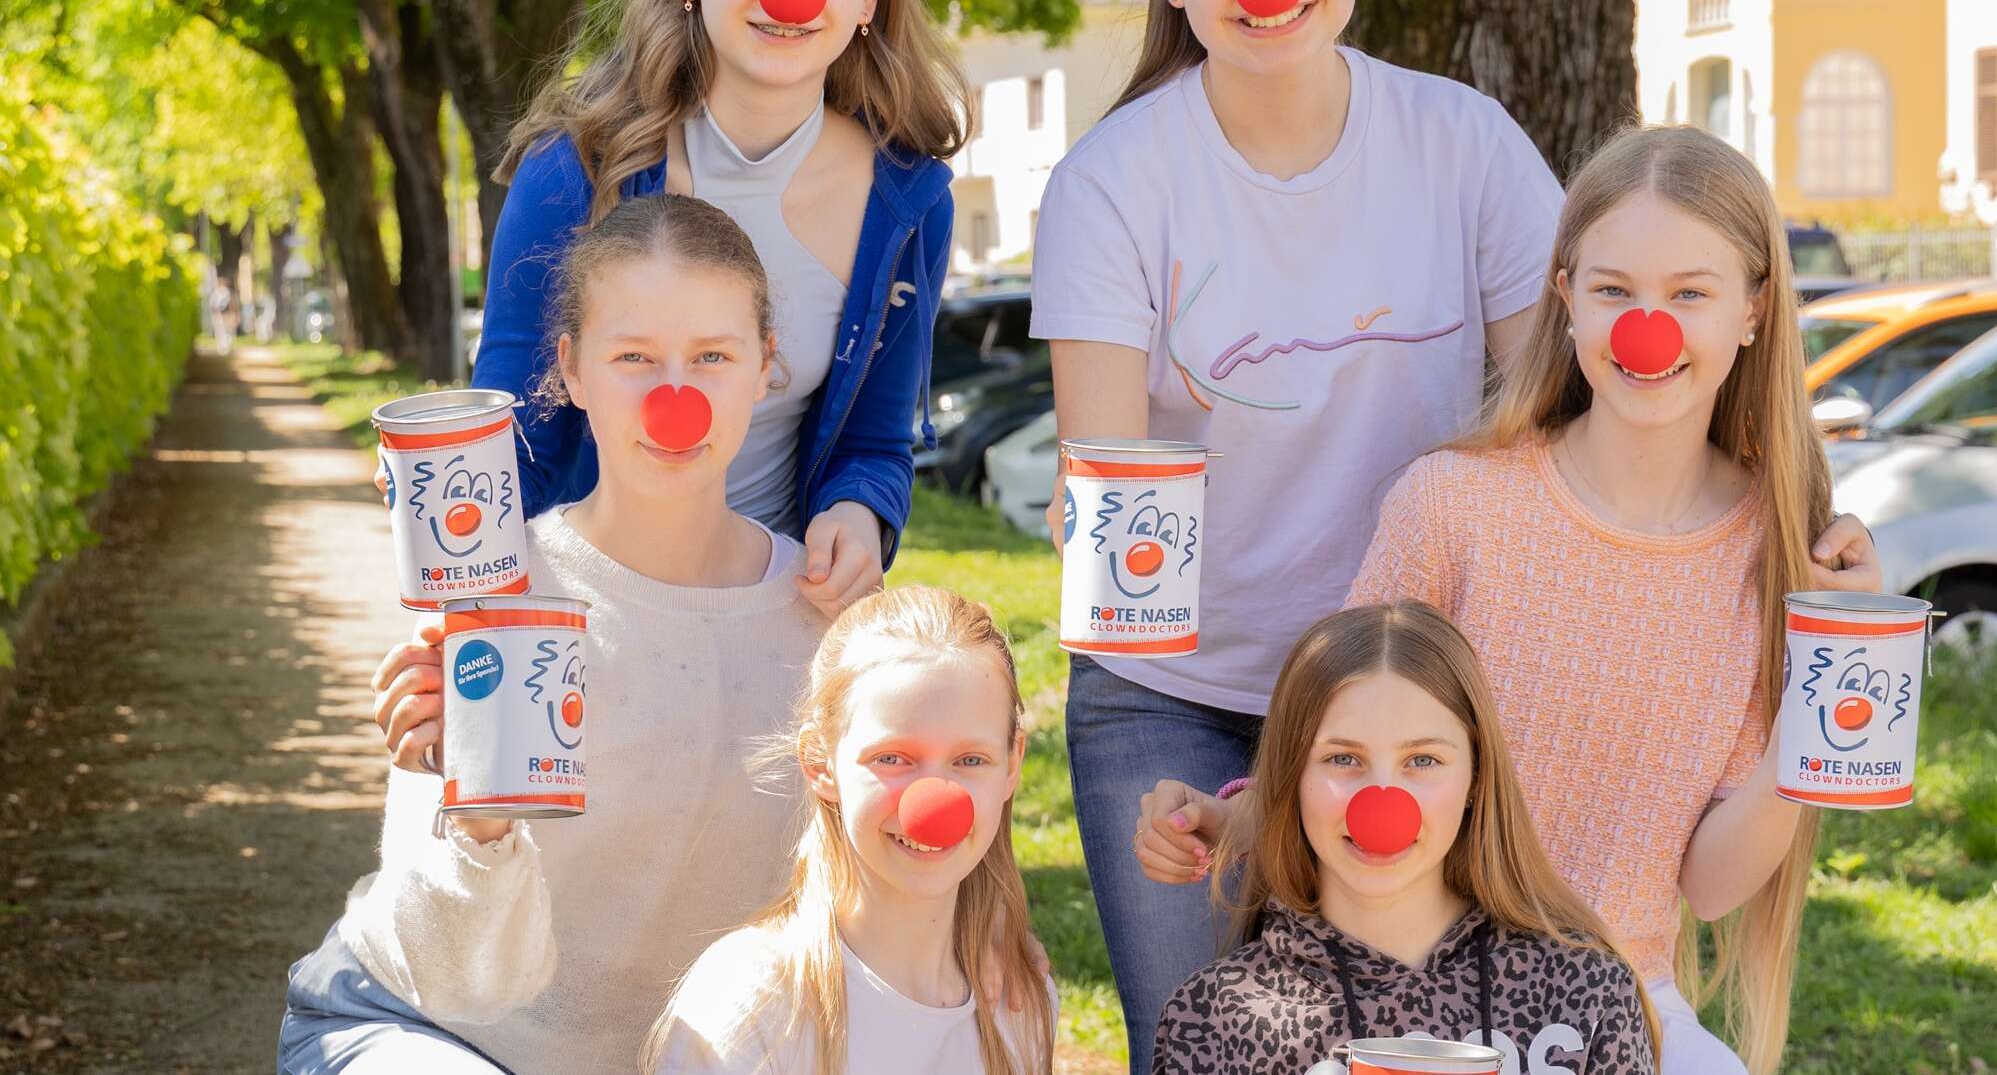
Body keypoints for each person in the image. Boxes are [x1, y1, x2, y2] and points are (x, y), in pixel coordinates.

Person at [1145, 126, 1879, 1075]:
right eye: (1612, 290)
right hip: (1409, 993)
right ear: (1566, 299)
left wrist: (1828, 668)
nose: (1642, 328)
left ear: (1752, 310)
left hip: (1614, 1006)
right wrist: (1231, 817)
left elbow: (1710, 884)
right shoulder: (1454, 503)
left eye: (1688, 294)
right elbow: (1343, 735)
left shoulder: (1770, 551)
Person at [1024, 0, 1565, 1066]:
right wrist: (1090, 523)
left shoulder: (1467, 147)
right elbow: (1111, 474)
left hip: (1407, 692)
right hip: (1176, 694)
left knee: (1408, 1047)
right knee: (1200, 1049)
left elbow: (1557, 419)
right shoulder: (1110, 183)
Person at [278, 194, 829, 1073]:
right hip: (422, 1028)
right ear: (571, 371)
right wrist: (478, 821)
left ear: (767, 365)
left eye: (712, 356)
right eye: (634, 357)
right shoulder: (499, 594)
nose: (674, 396)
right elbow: (457, 980)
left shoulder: (830, 622)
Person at [468, 0, 969, 619]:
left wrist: (858, 514)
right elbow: (512, 440)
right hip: (580, 617)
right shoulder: (574, 175)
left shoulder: (908, 205)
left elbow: (874, 447)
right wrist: (466, 624)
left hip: (777, 619)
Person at [1148, 602, 1657, 1075]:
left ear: (1475, 779)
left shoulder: (1584, 989)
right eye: (1343, 758)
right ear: (1290, 778)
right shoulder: (1211, 1015)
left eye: (1422, 761)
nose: (1383, 803)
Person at [648, 586, 1056, 1074]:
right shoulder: (754, 1004)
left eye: (971, 759)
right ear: (820, 763)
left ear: (1013, 765)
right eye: (892, 758)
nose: (933, 804)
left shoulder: (1021, 1006)